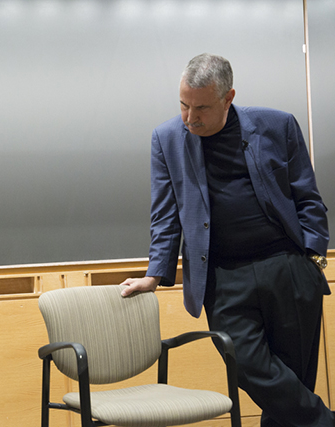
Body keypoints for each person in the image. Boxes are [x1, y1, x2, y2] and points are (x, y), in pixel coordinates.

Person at [121, 54, 332, 426]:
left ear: (228, 97)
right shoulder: (167, 139)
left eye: (201, 108)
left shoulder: (277, 125)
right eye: (184, 105)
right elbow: (166, 215)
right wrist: (154, 274)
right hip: (223, 276)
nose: (190, 118)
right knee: (248, 367)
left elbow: (307, 197)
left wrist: (312, 257)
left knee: (291, 383)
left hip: (286, 266)